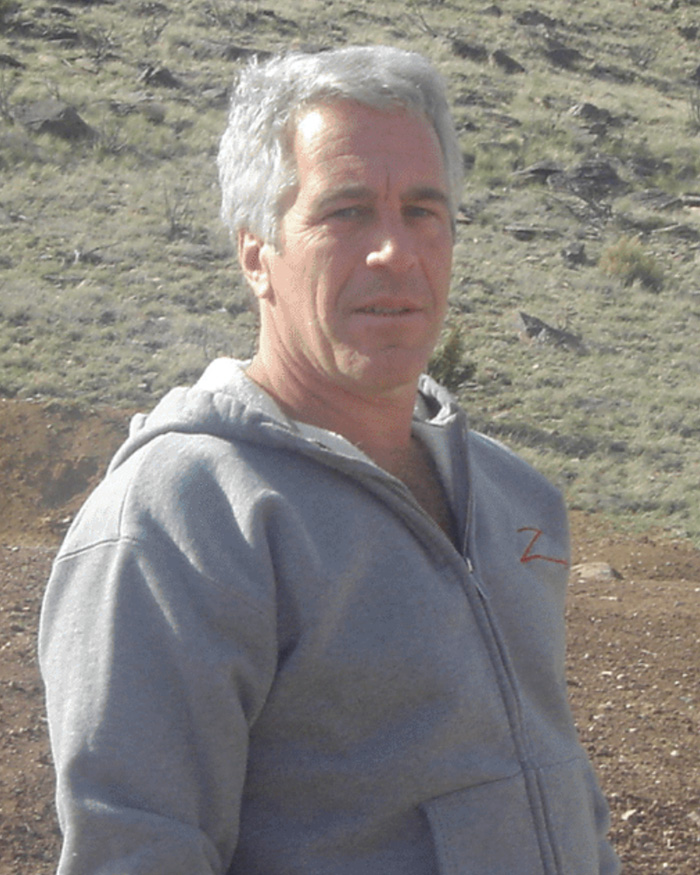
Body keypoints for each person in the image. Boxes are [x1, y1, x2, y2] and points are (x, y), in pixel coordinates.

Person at [39, 46, 619, 874]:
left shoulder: (514, 495)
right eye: (346, 212)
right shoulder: (181, 518)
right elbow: (136, 852)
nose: (395, 251)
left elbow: (565, 797)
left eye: (424, 210)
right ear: (255, 252)